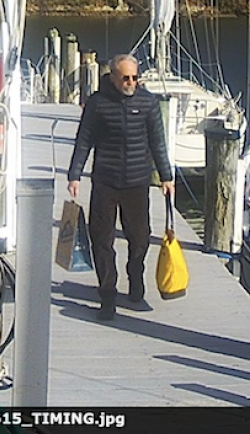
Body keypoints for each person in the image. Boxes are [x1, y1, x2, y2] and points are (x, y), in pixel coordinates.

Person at [67, 54, 174, 321]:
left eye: (135, 78)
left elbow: (158, 142)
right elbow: (84, 140)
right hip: (106, 180)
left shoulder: (147, 102)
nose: (131, 82)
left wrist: (166, 176)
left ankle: (135, 276)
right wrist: (74, 175)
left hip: (137, 181)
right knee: (102, 239)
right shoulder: (97, 103)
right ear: (113, 77)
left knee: (140, 238)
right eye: (126, 78)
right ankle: (108, 294)